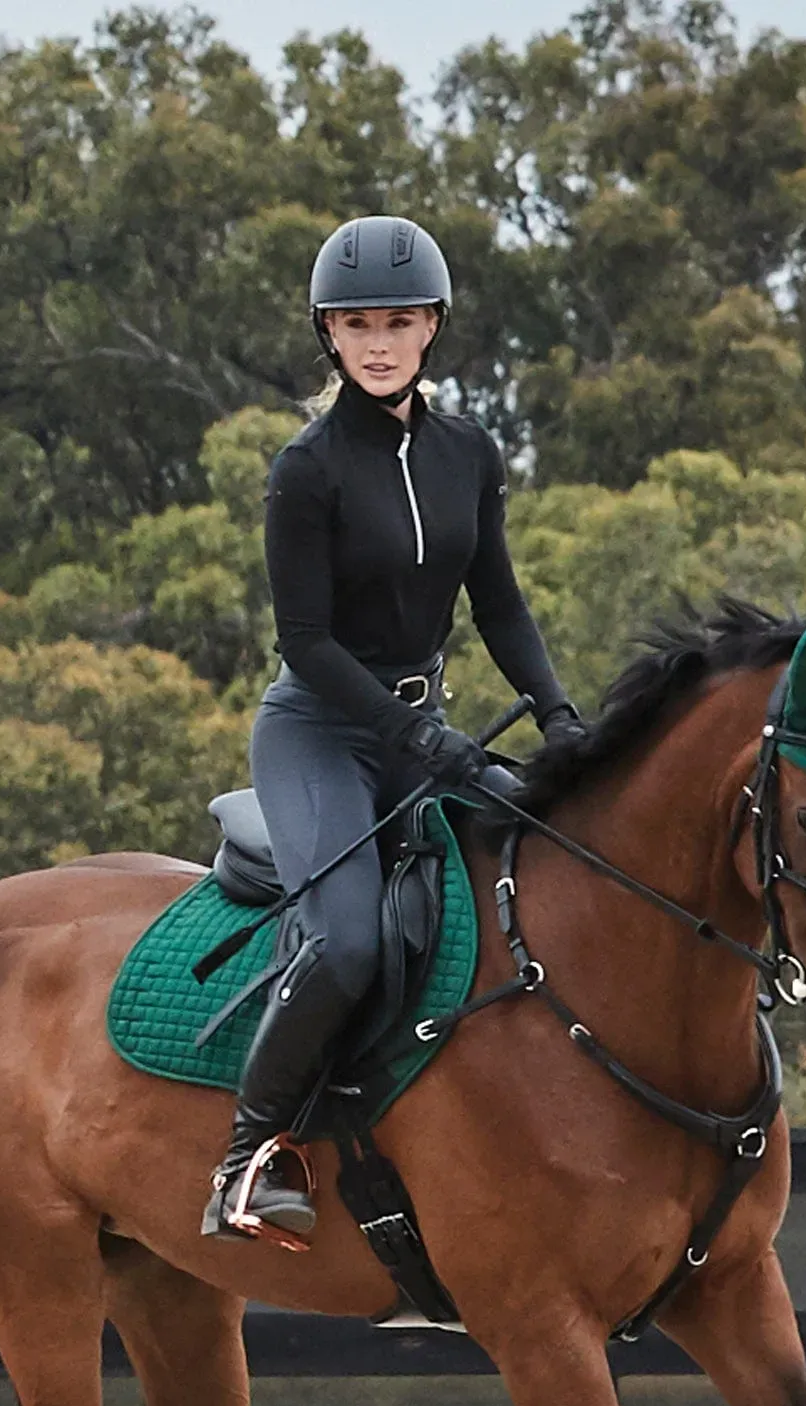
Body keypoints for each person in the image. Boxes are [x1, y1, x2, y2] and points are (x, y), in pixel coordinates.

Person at [203, 214, 584, 1247]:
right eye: (357, 324)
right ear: (328, 335)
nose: (379, 343)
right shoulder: (307, 469)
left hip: (425, 730)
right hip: (320, 732)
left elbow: (499, 604)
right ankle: (248, 1157)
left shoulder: (468, 453)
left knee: (552, 867)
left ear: (432, 328)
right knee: (346, 942)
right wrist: (415, 738)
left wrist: (560, 716)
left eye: (398, 322)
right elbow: (306, 640)